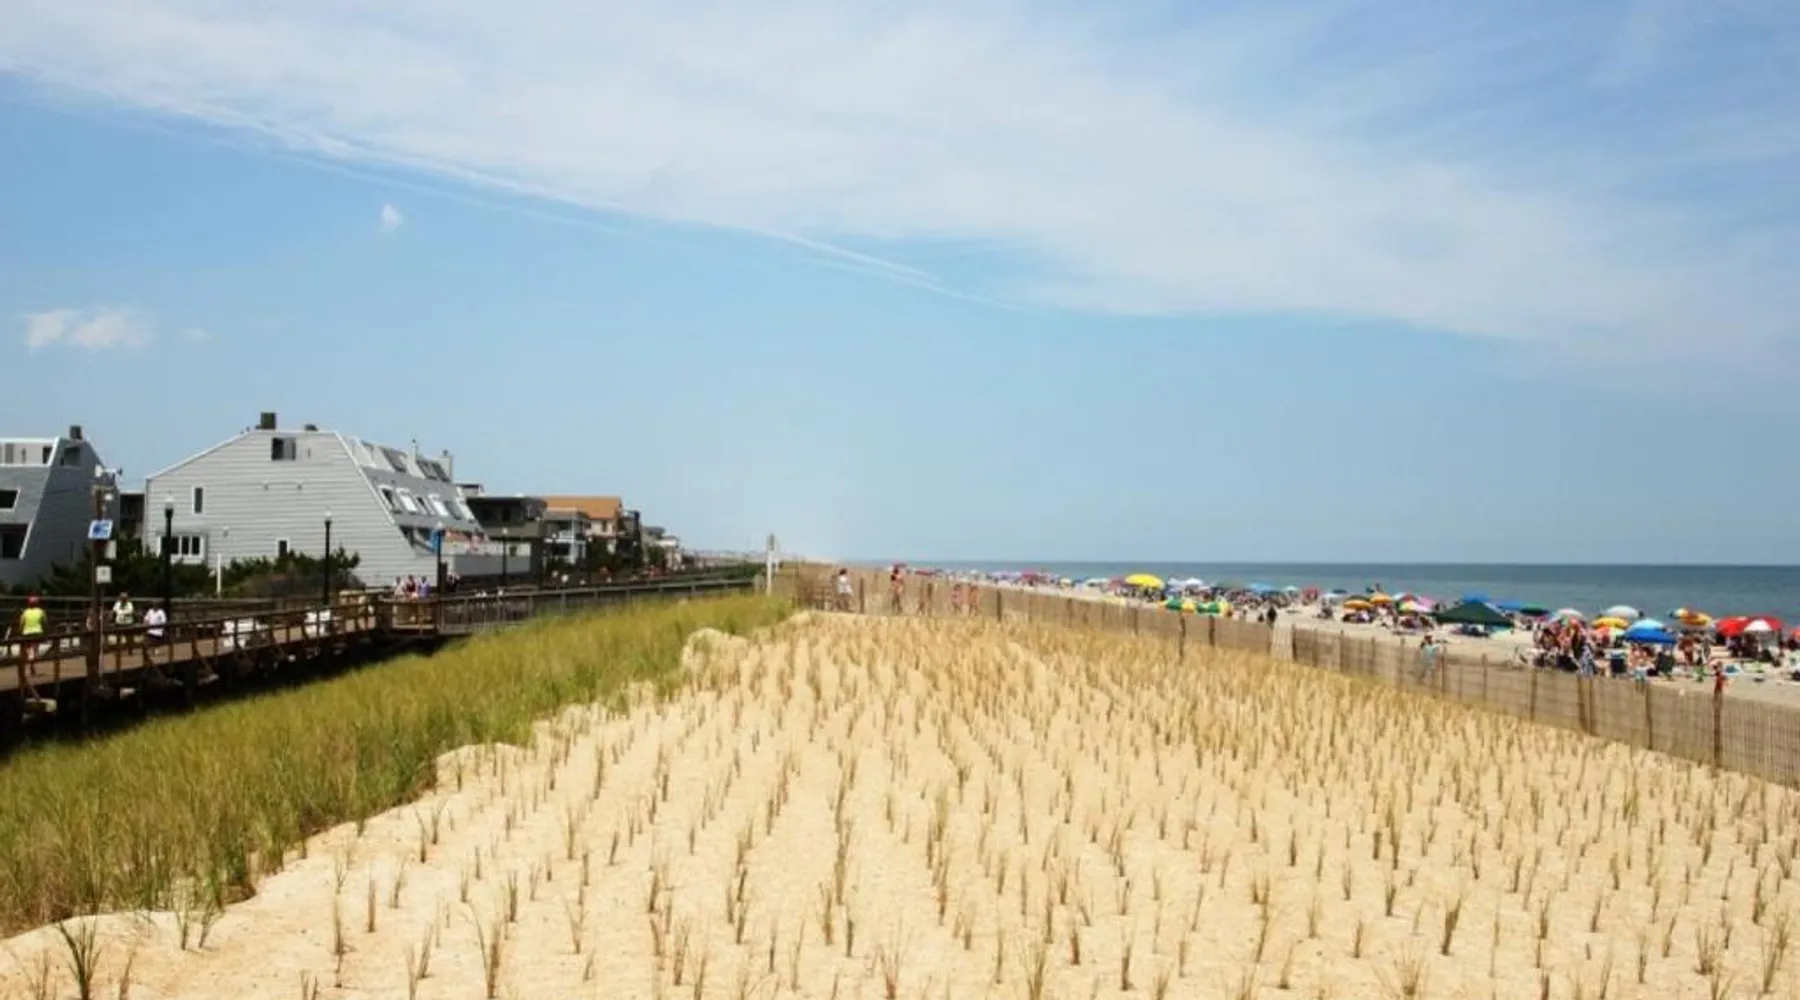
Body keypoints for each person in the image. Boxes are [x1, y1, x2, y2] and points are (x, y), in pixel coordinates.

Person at [15, 596, 47, 699]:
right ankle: (32, 665)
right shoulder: (40, 611)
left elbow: (21, 623)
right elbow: (45, 622)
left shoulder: (25, 612)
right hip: (37, 632)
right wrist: (46, 630)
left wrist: (20, 631)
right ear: (37, 603)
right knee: (34, 648)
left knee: (28, 649)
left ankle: (30, 665)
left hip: (27, 633)